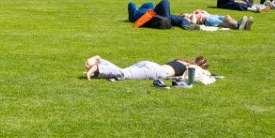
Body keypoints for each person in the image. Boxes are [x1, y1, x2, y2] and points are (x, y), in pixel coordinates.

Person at [84, 55, 213, 84]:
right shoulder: (191, 67)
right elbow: (201, 75)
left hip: (150, 64)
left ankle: (101, 62)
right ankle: (98, 66)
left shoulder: (182, 60)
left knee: (123, 71)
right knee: (124, 75)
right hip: (158, 71)